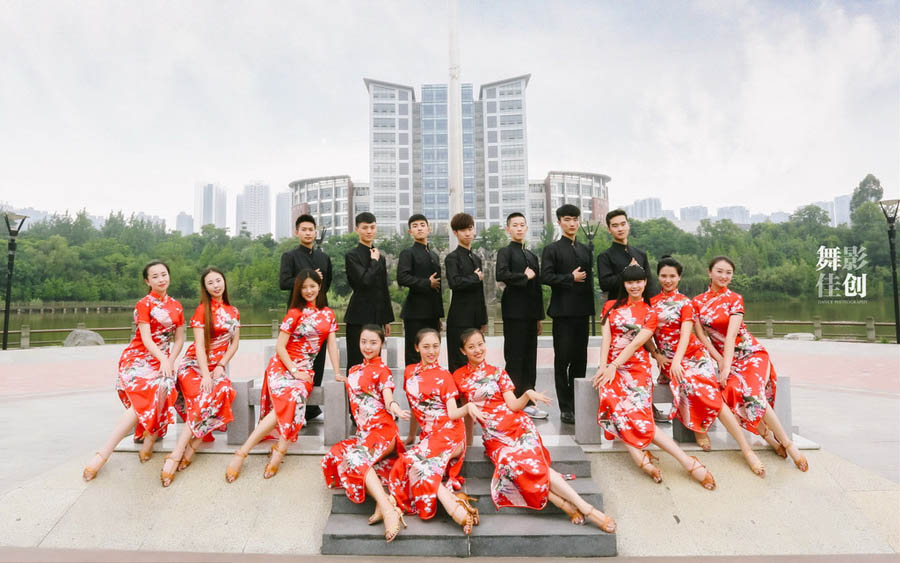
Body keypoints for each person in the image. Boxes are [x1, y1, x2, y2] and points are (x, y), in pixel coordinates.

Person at [453, 328, 615, 532]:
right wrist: (468, 443)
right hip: (495, 438)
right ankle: (570, 506)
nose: (478, 349)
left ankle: (584, 509)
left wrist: (528, 394)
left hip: (519, 427)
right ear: (462, 351)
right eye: (471, 346)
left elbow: (513, 405)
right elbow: (467, 412)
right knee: (522, 468)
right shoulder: (458, 377)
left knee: (531, 467)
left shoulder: (497, 372)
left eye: (480, 344)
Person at [593, 265, 716, 490]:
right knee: (613, 404)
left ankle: (685, 461)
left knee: (638, 416)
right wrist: (603, 367)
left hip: (635, 368)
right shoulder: (609, 307)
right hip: (611, 367)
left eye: (639, 282)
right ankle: (644, 460)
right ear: (624, 284)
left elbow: (636, 343)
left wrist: (614, 365)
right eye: (630, 282)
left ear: (645, 283)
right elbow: (606, 339)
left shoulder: (650, 312)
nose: (635, 286)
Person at [648, 256, 765, 476]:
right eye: (663, 276)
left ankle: (746, 449)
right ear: (658, 277)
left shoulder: (686, 303)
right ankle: (698, 428)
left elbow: (686, 334)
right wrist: (657, 355)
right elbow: (646, 334)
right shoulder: (651, 304)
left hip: (692, 354)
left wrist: (677, 361)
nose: (668, 280)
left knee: (713, 394)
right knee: (688, 384)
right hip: (669, 358)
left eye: (672, 276)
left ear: (679, 277)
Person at [692, 256, 808, 472]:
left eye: (728, 272)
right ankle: (769, 438)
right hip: (724, 358)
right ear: (709, 272)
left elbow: (731, 335)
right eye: (719, 271)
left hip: (750, 353)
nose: (724, 276)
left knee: (753, 394)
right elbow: (702, 338)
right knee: (733, 393)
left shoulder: (735, 298)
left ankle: (789, 445)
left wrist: (725, 367)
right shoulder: (697, 302)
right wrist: (720, 362)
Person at [225, 269, 340, 482]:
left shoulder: (328, 314)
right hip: (284, 366)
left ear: (319, 287)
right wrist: (294, 370)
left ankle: (268, 448)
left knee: (294, 397)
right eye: (304, 287)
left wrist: (339, 372)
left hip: (305, 370)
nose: (308, 291)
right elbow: (280, 347)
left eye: (312, 286)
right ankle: (252, 451)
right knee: (291, 399)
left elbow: (332, 346)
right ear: (298, 289)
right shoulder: (294, 313)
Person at [83, 260, 185, 481]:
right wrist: (163, 360)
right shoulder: (144, 304)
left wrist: (170, 360)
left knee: (165, 386)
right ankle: (105, 453)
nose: (161, 279)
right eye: (155, 276)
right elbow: (146, 339)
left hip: (163, 359)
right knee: (144, 398)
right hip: (139, 358)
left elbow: (180, 337)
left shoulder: (176, 306)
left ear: (169, 276)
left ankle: (149, 437)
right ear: (147, 281)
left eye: (164, 274)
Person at [388, 328, 482, 534]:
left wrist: (467, 408)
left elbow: (452, 412)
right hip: (429, 437)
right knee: (414, 464)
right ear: (416, 347)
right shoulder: (409, 373)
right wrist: (412, 435)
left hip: (450, 433)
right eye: (426, 347)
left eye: (436, 346)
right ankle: (457, 506)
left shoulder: (444, 376)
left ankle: (455, 511)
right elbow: (415, 408)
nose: (432, 351)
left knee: (412, 463)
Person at [322, 325, 410, 543]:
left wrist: (394, 407)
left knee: (354, 458)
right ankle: (383, 501)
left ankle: (389, 511)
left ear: (381, 344)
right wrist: (342, 378)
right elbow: (358, 388)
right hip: (364, 436)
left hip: (383, 431)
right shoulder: (353, 371)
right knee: (335, 455)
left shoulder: (383, 371)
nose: (368, 347)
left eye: (373, 342)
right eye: (364, 342)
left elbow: (387, 395)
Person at [163, 268, 240, 487]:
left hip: (217, 367)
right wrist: (206, 374)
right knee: (205, 394)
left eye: (218, 280)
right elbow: (198, 346)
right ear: (205, 288)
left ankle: (190, 448)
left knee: (224, 390)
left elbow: (234, 343)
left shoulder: (233, 311)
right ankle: (179, 453)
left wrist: (221, 365)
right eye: (210, 283)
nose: (216, 285)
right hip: (194, 366)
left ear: (224, 282)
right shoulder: (201, 311)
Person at [596, 208, 665, 424]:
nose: (619, 228)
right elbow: (605, 283)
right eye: (615, 225)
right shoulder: (605, 256)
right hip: (619, 309)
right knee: (622, 354)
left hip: (642, 310)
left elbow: (649, 284)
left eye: (622, 223)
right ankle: (622, 407)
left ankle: (647, 403)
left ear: (628, 225)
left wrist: (653, 307)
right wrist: (627, 272)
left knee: (642, 356)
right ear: (609, 229)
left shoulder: (640, 254)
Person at [540, 204, 593, 425]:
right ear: (560, 222)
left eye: (575, 220)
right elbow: (546, 277)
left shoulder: (584, 249)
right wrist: (569, 278)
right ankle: (565, 407)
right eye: (568, 220)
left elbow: (589, 281)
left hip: (582, 312)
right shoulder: (552, 249)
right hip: (562, 313)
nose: (572, 224)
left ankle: (578, 402)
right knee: (562, 360)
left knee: (580, 361)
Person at [280, 213, 333, 421]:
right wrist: (307, 280)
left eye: (311, 229)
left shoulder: (324, 257)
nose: (308, 233)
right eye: (304, 229)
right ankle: (294, 405)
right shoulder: (290, 256)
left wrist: (317, 286)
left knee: (318, 361)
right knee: (297, 359)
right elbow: (284, 282)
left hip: (319, 314)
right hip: (298, 316)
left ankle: (310, 410)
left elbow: (326, 286)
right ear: (297, 232)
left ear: (315, 232)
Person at [496, 212, 547, 419]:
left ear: (526, 228)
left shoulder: (532, 256)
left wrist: (539, 317)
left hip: (530, 313)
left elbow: (537, 288)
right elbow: (501, 275)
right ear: (508, 229)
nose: (519, 228)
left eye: (522, 225)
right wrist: (523, 276)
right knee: (515, 357)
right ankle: (513, 399)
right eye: (514, 225)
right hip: (514, 313)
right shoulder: (505, 252)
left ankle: (529, 398)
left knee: (530, 357)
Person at [344, 212, 394, 376]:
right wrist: (373, 262)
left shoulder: (380, 256)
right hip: (357, 317)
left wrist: (386, 319)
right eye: (365, 227)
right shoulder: (352, 256)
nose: (369, 231)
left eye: (372, 227)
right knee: (356, 363)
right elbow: (363, 282)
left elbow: (383, 288)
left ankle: (373, 401)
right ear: (357, 229)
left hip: (376, 317)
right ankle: (353, 402)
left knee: (374, 363)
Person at [396, 214, 443, 366]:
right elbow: (402, 278)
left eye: (422, 225)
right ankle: (412, 387)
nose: (419, 228)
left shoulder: (434, 255)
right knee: (414, 351)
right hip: (415, 312)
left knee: (432, 351)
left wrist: (439, 315)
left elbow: (438, 286)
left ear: (429, 229)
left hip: (432, 312)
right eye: (415, 226)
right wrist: (426, 283)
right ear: (410, 232)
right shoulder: (408, 253)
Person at [444, 212, 487, 374]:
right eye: (463, 230)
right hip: (459, 318)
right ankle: (458, 399)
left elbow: (480, 292)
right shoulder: (452, 258)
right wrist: (474, 277)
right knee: (459, 361)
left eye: (470, 229)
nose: (468, 233)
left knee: (475, 360)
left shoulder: (477, 259)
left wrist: (483, 318)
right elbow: (454, 283)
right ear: (455, 233)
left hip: (475, 318)